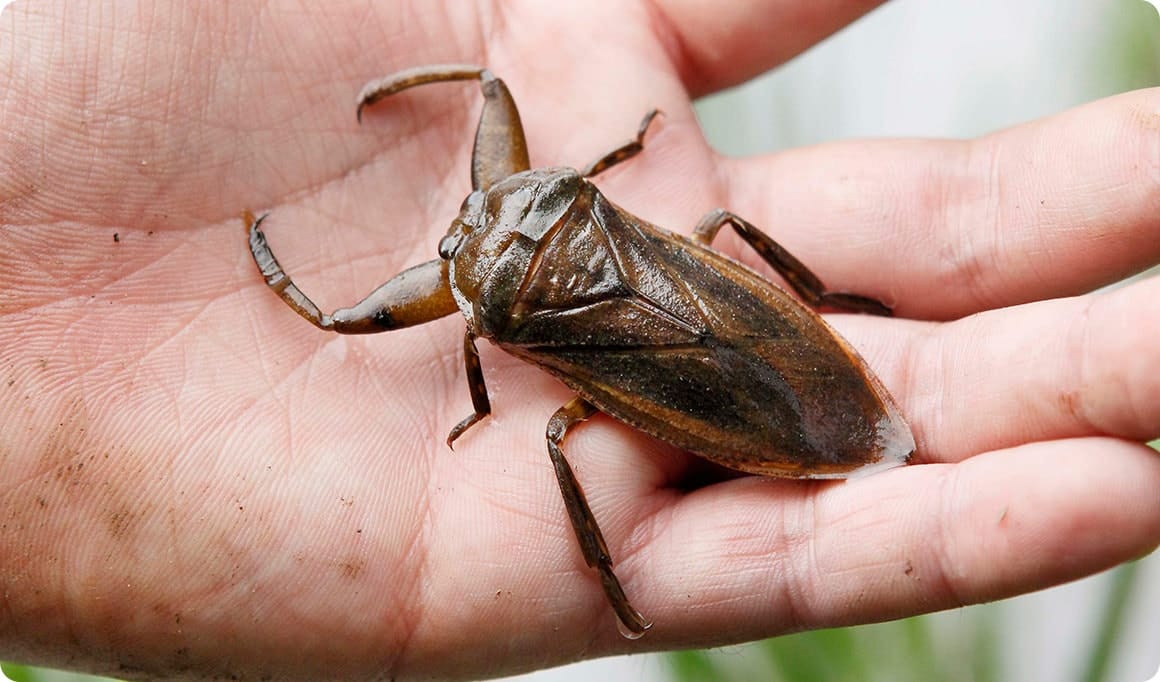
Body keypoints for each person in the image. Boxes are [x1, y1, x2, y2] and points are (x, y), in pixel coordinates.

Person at [1, 2, 1157, 680]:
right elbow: (477, 106)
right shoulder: (543, 214)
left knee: (565, 432)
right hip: (721, 317)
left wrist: (451, 361)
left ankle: (834, 362)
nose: (466, 221)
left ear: (577, 191)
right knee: (709, 241)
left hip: (700, 353)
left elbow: (338, 305)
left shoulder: (494, 308)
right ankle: (832, 349)